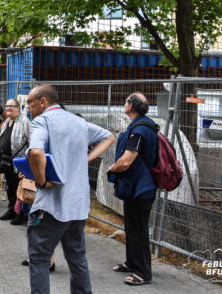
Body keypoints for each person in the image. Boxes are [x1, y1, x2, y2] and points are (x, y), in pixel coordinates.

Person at [26, 85, 115, 294]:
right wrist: (86, 159)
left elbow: (36, 153)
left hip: (51, 206)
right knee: (77, 258)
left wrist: (40, 181)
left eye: (30, 102)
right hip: (78, 205)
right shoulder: (79, 122)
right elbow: (109, 137)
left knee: (39, 259)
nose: (28, 107)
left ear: (43, 102)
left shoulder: (41, 121)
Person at [108, 93, 157, 286]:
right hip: (135, 186)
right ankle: (131, 262)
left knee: (139, 229)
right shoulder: (141, 125)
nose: (124, 104)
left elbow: (127, 160)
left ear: (130, 106)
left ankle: (143, 272)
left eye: (126, 101)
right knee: (131, 226)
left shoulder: (140, 130)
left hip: (141, 188)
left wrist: (113, 168)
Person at [0, 98, 30, 223]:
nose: (8, 108)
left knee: (19, 188)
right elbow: (1, 141)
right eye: (6, 106)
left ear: (18, 108)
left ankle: (21, 214)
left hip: (20, 162)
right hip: (7, 161)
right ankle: (11, 210)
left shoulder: (25, 122)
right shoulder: (7, 121)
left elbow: (31, 143)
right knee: (10, 186)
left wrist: (29, 163)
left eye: (11, 106)